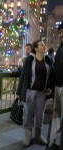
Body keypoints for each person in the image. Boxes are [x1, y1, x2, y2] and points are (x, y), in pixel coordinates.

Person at [16, 40, 54, 147]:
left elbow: (52, 76)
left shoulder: (48, 60)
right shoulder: (29, 60)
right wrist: (19, 92)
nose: (44, 46)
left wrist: (50, 88)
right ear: (36, 48)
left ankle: (38, 135)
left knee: (40, 116)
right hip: (30, 92)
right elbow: (23, 76)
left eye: (44, 44)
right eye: (42, 45)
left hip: (42, 93)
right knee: (28, 115)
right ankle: (27, 137)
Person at [48, 22, 63, 150]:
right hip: (58, 86)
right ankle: (56, 142)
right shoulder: (61, 48)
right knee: (57, 115)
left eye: (62, 32)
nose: (61, 34)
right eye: (60, 32)